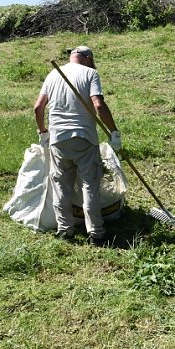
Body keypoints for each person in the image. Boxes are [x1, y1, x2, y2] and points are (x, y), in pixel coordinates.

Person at [33, 46, 122, 246]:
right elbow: (98, 105)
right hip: (84, 137)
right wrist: (114, 132)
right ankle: (96, 234)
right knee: (89, 185)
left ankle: (65, 231)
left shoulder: (54, 73)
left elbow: (38, 107)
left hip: (58, 139)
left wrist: (43, 131)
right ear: (88, 59)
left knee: (61, 186)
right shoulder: (90, 73)